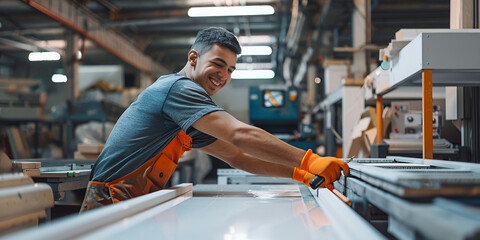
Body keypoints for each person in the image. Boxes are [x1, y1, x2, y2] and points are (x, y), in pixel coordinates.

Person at [80, 27, 349, 212]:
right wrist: (309, 160)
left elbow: (239, 157)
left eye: (230, 69)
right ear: (193, 57)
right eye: (218, 64)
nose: (224, 75)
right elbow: (239, 135)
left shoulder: (185, 114)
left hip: (130, 199)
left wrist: (300, 175)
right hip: (110, 199)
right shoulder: (179, 89)